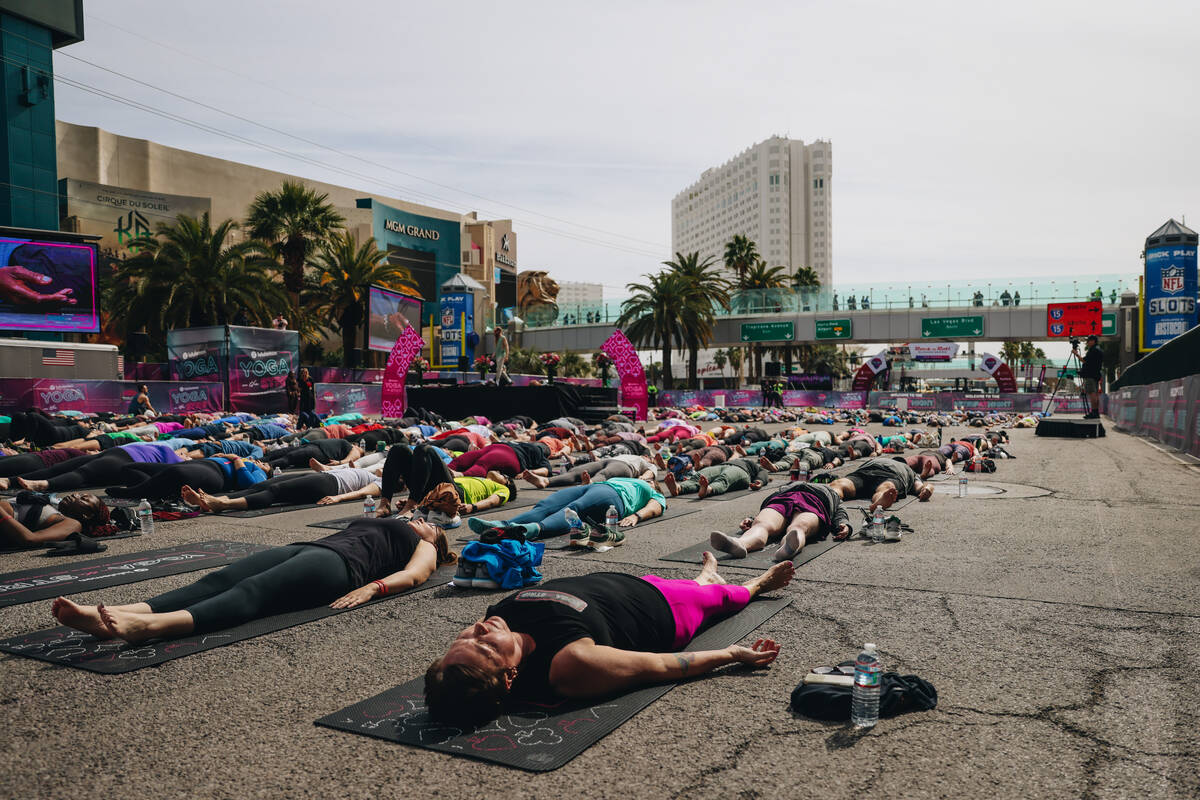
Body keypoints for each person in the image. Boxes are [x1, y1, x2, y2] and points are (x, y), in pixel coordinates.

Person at [423, 555, 794, 725]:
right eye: (487, 647)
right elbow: (662, 666)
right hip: (666, 609)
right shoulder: (570, 665)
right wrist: (731, 654)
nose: (481, 628)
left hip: (629, 585)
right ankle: (756, 582)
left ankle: (704, 577)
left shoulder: (494, 624)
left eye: (467, 636)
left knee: (694, 583)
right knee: (730, 597)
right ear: (509, 677)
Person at [52, 518, 455, 643]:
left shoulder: (427, 548)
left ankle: (150, 626)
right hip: (311, 547)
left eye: (430, 525)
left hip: (339, 568)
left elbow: (415, 575)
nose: (422, 521)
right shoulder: (398, 521)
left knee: (252, 593)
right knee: (217, 578)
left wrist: (374, 587)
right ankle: (115, 615)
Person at [467, 475, 665, 546]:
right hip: (596, 486)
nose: (647, 480)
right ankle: (502, 526)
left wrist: (637, 515)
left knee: (574, 510)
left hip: (614, 497)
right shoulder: (633, 479)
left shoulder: (654, 493)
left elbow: (655, 508)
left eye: (651, 481)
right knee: (546, 505)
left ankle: (529, 530)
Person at [709, 480, 851, 560]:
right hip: (784, 497)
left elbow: (840, 511)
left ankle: (788, 548)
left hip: (815, 501)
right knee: (762, 524)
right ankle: (740, 544)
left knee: (800, 526)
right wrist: (752, 519)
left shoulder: (832, 493)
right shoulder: (790, 485)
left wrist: (844, 524)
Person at [180, 466, 379, 512]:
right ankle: (211, 499)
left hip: (330, 486)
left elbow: (363, 493)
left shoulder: (382, 482)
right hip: (324, 476)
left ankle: (223, 504)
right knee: (263, 485)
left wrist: (338, 499)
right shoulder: (375, 472)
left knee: (275, 492)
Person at [0, 492, 111, 547]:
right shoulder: (55, 508)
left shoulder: (73, 524)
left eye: (83, 498)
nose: (75, 494)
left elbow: (30, 539)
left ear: (87, 515)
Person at [828, 456, 933, 510]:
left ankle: (879, 503)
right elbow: (921, 486)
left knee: (886, 487)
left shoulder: (911, 471)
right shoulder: (879, 459)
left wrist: (928, 488)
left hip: (891, 475)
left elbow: (920, 486)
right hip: (865, 472)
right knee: (840, 483)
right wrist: (927, 487)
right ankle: (828, 497)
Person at [1078, 334, 1104, 419]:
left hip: (1090, 375)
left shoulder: (1093, 350)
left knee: (1092, 393)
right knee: (1095, 394)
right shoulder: (1098, 350)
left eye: (1088, 341)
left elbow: (1084, 360)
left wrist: (1076, 354)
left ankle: (1094, 412)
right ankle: (1096, 412)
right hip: (1095, 375)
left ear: (1093, 341)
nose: (1087, 342)